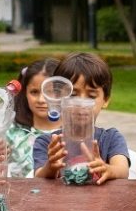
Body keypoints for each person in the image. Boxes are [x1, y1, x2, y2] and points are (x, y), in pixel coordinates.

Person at [32, 52, 130, 183]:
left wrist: (108, 169)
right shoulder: (47, 142)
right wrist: (51, 166)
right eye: (73, 95)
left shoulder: (111, 138)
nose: (81, 103)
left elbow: (122, 170)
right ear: (58, 98)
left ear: (105, 100)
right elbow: (38, 177)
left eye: (91, 95)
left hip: (100, 203)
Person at [7, 58, 61, 178]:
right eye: (34, 92)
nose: (41, 100)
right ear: (24, 93)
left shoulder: (72, 134)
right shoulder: (10, 133)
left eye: (49, 92)